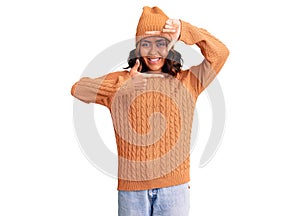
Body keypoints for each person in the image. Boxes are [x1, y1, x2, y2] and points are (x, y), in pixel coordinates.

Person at [71, 5, 229, 216]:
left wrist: (185, 31)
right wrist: (120, 87)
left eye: (160, 43)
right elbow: (78, 89)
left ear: (170, 46)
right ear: (137, 48)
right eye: (146, 44)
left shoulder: (188, 82)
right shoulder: (122, 82)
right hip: (132, 192)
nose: (153, 52)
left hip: (175, 189)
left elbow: (220, 53)